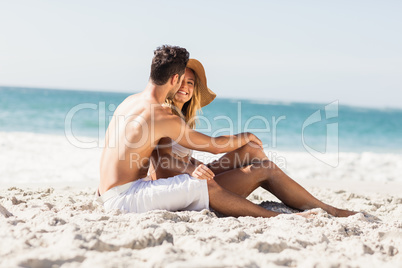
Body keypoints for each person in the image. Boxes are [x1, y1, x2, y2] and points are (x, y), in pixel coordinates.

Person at [148, 58, 356, 217]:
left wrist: (195, 164)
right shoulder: (167, 113)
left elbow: (178, 156)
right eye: (182, 81)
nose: (185, 87)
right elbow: (161, 160)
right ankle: (328, 209)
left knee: (252, 151)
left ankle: (301, 199)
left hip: (188, 176)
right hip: (180, 189)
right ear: (172, 83)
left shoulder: (180, 115)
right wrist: (193, 168)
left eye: (191, 82)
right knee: (265, 168)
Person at [98, 45, 284, 218]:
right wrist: (248, 136)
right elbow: (215, 146)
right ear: (175, 79)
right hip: (125, 199)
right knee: (201, 185)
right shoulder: (161, 114)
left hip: (106, 193)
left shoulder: (129, 102)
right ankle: (273, 217)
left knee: (201, 182)